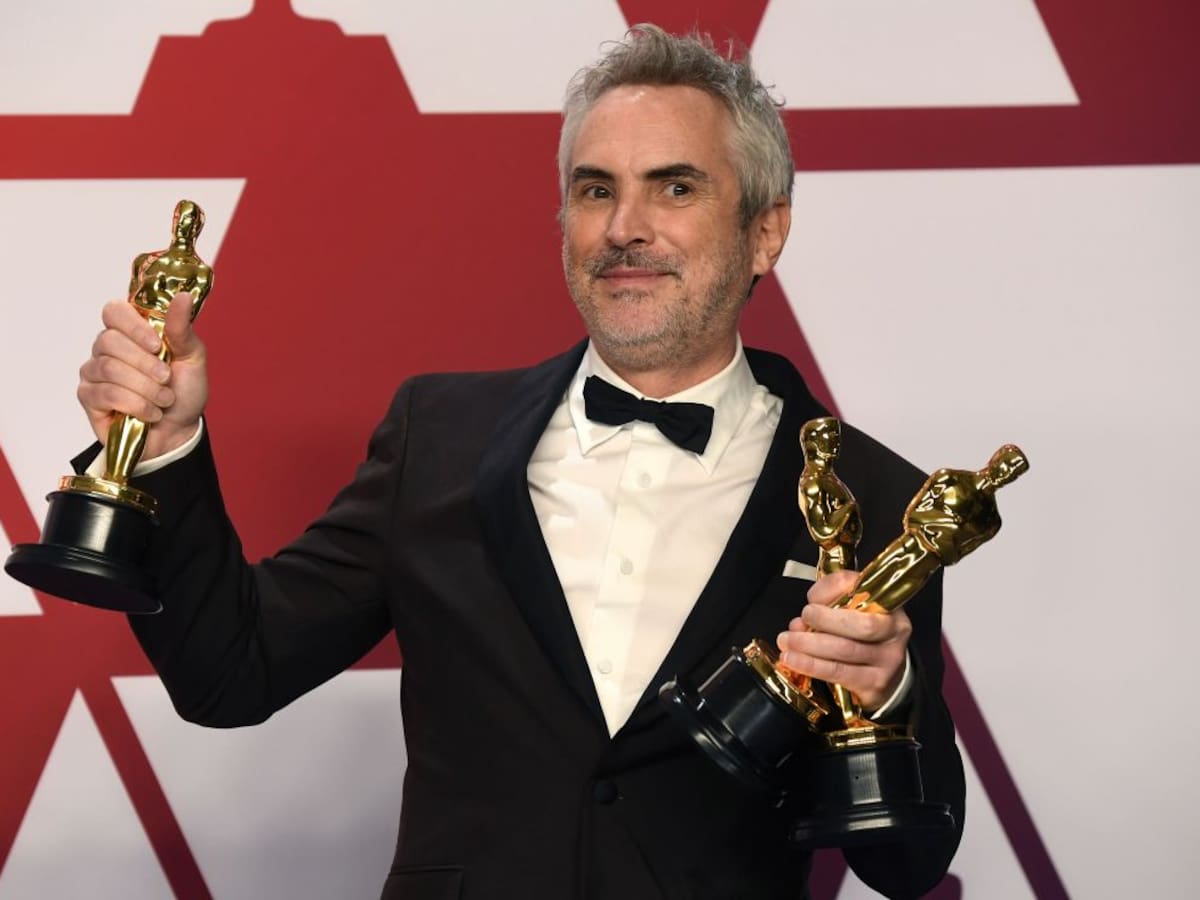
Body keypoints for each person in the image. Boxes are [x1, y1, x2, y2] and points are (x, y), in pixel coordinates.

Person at [74, 24, 964, 900]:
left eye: (675, 187)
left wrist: (886, 695)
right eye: (595, 189)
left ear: (765, 232)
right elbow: (230, 673)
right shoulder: (437, 438)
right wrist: (165, 446)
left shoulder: (878, 496)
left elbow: (907, 866)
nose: (625, 228)